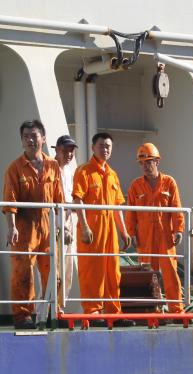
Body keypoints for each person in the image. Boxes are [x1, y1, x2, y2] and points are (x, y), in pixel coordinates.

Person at [2, 119, 64, 329]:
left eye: (34, 136)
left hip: (48, 224)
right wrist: (12, 226)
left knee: (52, 271)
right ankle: (23, 316)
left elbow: (59, 200)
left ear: (43, 139)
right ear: (21, 141)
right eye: (26, 136)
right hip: (24, 226)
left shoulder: (53, 166)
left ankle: (51, 312)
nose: (30, 140)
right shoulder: (15, 168)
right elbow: (10, 201)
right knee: (23, 272)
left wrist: (62, 226)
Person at [72, 132, 134, 326]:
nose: (105, 149)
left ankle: (114, 314)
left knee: (112, 272)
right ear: (93, 148)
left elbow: (116, 207)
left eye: (108, 146)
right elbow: (77, 199)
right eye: (101, 146)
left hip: (110, 232)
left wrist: (123, 232)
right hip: (92, 228)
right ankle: (93, 313)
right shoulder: (84, 171)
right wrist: (84, 227)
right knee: (93, 271)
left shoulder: (112, 175)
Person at [125, 143, 185, 316]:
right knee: (148, 274)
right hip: (145, 236)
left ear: (157, 162)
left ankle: (176, 310)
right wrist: (131, 233)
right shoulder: (135, 186)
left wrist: (178, 230)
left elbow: (176, 208)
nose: (145, 166)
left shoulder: (169, 182)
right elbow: (130, 213)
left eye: (148, 162)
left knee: (170, 273)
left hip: (165, 235)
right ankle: (153, 310)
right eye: (142, 163)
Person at [54, 134, 79, 311]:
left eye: (71, 151)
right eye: (65, 150)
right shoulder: (51, 170)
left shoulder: (70, 172)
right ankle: (48, 310)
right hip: (54, 226)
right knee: (53, 269)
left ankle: (60, 308)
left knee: (67, 269)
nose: (69, 154)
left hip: (69, 225)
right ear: (57, 150)